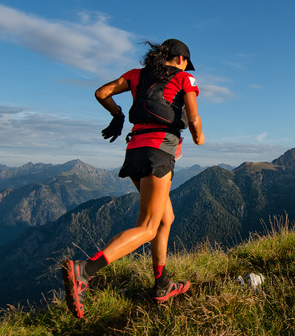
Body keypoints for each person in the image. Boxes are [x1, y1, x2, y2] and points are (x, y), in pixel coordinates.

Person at [61, 39, 204, 318]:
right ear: (180, 59)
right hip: (158, 151)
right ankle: (84, 271)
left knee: (165, 218)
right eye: (186, 61)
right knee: (149, 226)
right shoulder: (185, 78)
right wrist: (198, 137)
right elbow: (194, 118)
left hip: (134, 151)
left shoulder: (136, 75)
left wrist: (117, 114)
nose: (187, 66)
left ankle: (162, 284)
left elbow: (102, 92)